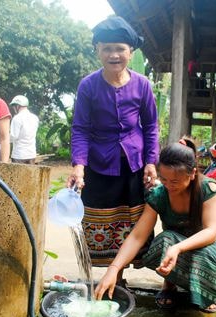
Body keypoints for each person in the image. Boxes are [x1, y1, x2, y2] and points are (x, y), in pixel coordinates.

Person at [67, 16, 160, 284]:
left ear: (130, 51)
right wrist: (78, 166)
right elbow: (81, 128)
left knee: (132, 220)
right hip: (99, 165)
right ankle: (113, 278)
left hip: (134, 166)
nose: (114, 54)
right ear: (97, 50)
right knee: (103, 222)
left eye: (120, 48)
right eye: (107, 48)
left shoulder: (142, 85)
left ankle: (119, 274)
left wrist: (151, 163)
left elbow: (151, 126)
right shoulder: (88, 85)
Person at [94, 138, 216, 313]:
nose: (168, 185)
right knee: (164, 242)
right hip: (172, 244)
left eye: (174, 181)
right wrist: (113, 269)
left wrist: (178, 248)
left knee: (199, 254)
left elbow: (211, 232)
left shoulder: (208, 188)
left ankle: (205, 290)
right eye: (164, 179)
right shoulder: (159, 195)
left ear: (191, 174)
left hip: (206, 246)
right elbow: (138, 236)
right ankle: (169, 285)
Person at [9, 95, 39, 164]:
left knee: (18, 175)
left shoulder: (17, 118)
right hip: (31, 154)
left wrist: (2, 141)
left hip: (19, 155)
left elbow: (13, 136)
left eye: (14, 106)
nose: (13, 108)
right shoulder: (35, 118)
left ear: (18, 106)